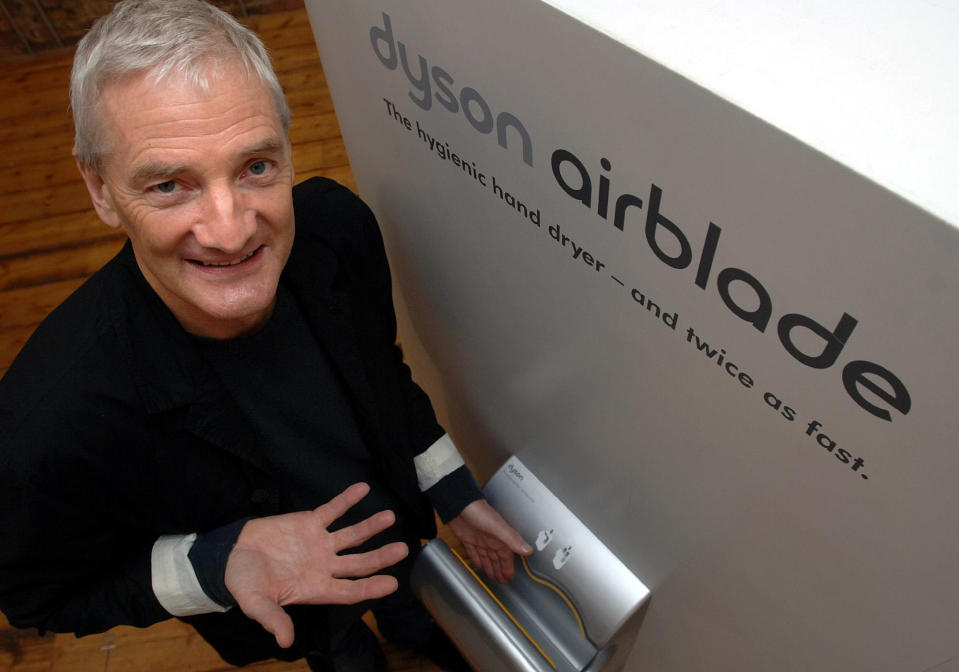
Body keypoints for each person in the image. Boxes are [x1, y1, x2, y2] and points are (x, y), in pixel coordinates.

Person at [0, 1, 532, 670]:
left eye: (254, 166)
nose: (230, 232)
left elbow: (385, 380)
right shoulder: (44, 424)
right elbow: (39, 598)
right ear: (100, 190)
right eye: (169, 184)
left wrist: (454, 496)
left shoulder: (336, 232)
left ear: (286, 145)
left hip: (398, 532)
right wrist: (216, 560)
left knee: (418, 615)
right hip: (296, 617)